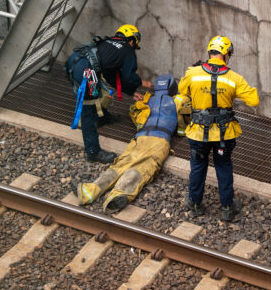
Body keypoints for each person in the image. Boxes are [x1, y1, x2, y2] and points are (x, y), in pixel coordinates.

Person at [78, 73, 191, 212]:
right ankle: (119, 195)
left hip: (140, 137)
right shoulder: (179, 101)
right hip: (160, 140)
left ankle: (89, 191)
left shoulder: (147, 99)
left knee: (122, 163)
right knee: (143, 167)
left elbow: (135, 113)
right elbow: (183, 127)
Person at [178, 36, 259, 222]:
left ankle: (195, 204)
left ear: (210, 53)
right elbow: (254, 100)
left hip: (198, 133)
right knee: (223, 166)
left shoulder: (193, 73)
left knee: (198, 166)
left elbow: (182, 92)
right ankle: (227, 208)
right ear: (227, 54)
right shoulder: (234, 78)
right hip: (225, 134)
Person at [65, 24, 153, 164]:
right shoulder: (127, 51)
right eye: (134, 45)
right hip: (86, 72)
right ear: (132, 40)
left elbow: (112, 75)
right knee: (88, 108)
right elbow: (128, 77)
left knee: (102, 92)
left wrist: (131, 92)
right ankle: (93, 152)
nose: (134, 47)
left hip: (76, 61)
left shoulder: (108, 42)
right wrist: (140, 82)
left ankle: (102, 117)